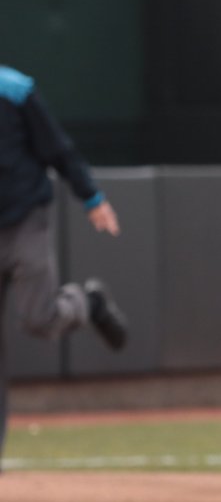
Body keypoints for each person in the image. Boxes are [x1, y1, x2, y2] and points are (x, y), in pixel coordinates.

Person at [0, 64, 127, 471]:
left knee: (40, 319)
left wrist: (92, 198)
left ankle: (87, 303)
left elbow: (57, 150)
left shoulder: (15, 91)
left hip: (24, 220)